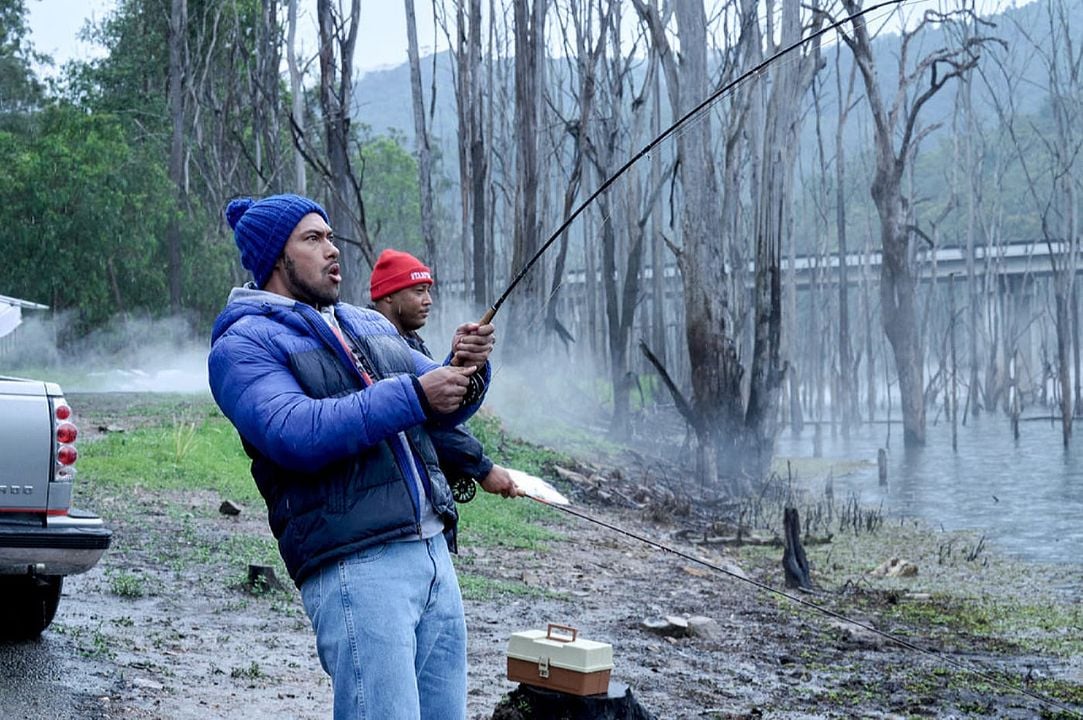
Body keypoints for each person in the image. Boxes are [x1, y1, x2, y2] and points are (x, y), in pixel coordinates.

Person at [207, 194, 497, 720]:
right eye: (313, 239)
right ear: (276, 256)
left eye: (331, 236)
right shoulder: (243, 345)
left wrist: (465, 368)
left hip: (433, 555)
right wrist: (415, 393)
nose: (333, 250)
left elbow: (440, 409)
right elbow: (297, 432)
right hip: (357, 565)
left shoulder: (369, 324)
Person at [369, 248, 521, 500]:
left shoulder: (412, 342)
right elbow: (425, 421)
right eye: (418, 292)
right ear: (388, 296)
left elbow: (441, 408)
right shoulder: (373, 347)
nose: (428, 300)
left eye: (428, 291)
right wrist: (483, 467)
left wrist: (467, 362)